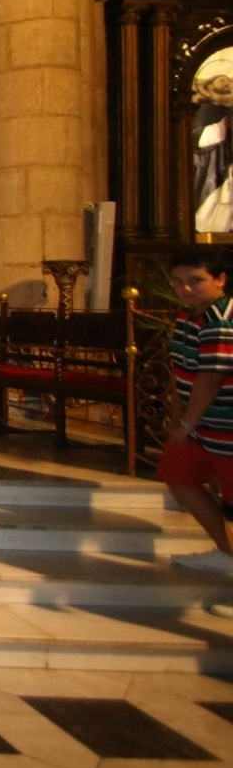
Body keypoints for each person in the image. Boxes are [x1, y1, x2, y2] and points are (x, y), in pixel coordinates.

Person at [161, 246, 233, 575]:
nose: (185, 288)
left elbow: (212, 376)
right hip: (201, 423)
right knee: (178, 474)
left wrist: (187, 422)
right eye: (178, 281)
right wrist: (178, 418)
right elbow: (180, 371)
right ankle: (227, 551)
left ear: (220, 280)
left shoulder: (222, 317)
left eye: (195, 280)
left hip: (225, 422)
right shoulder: (188, 315)